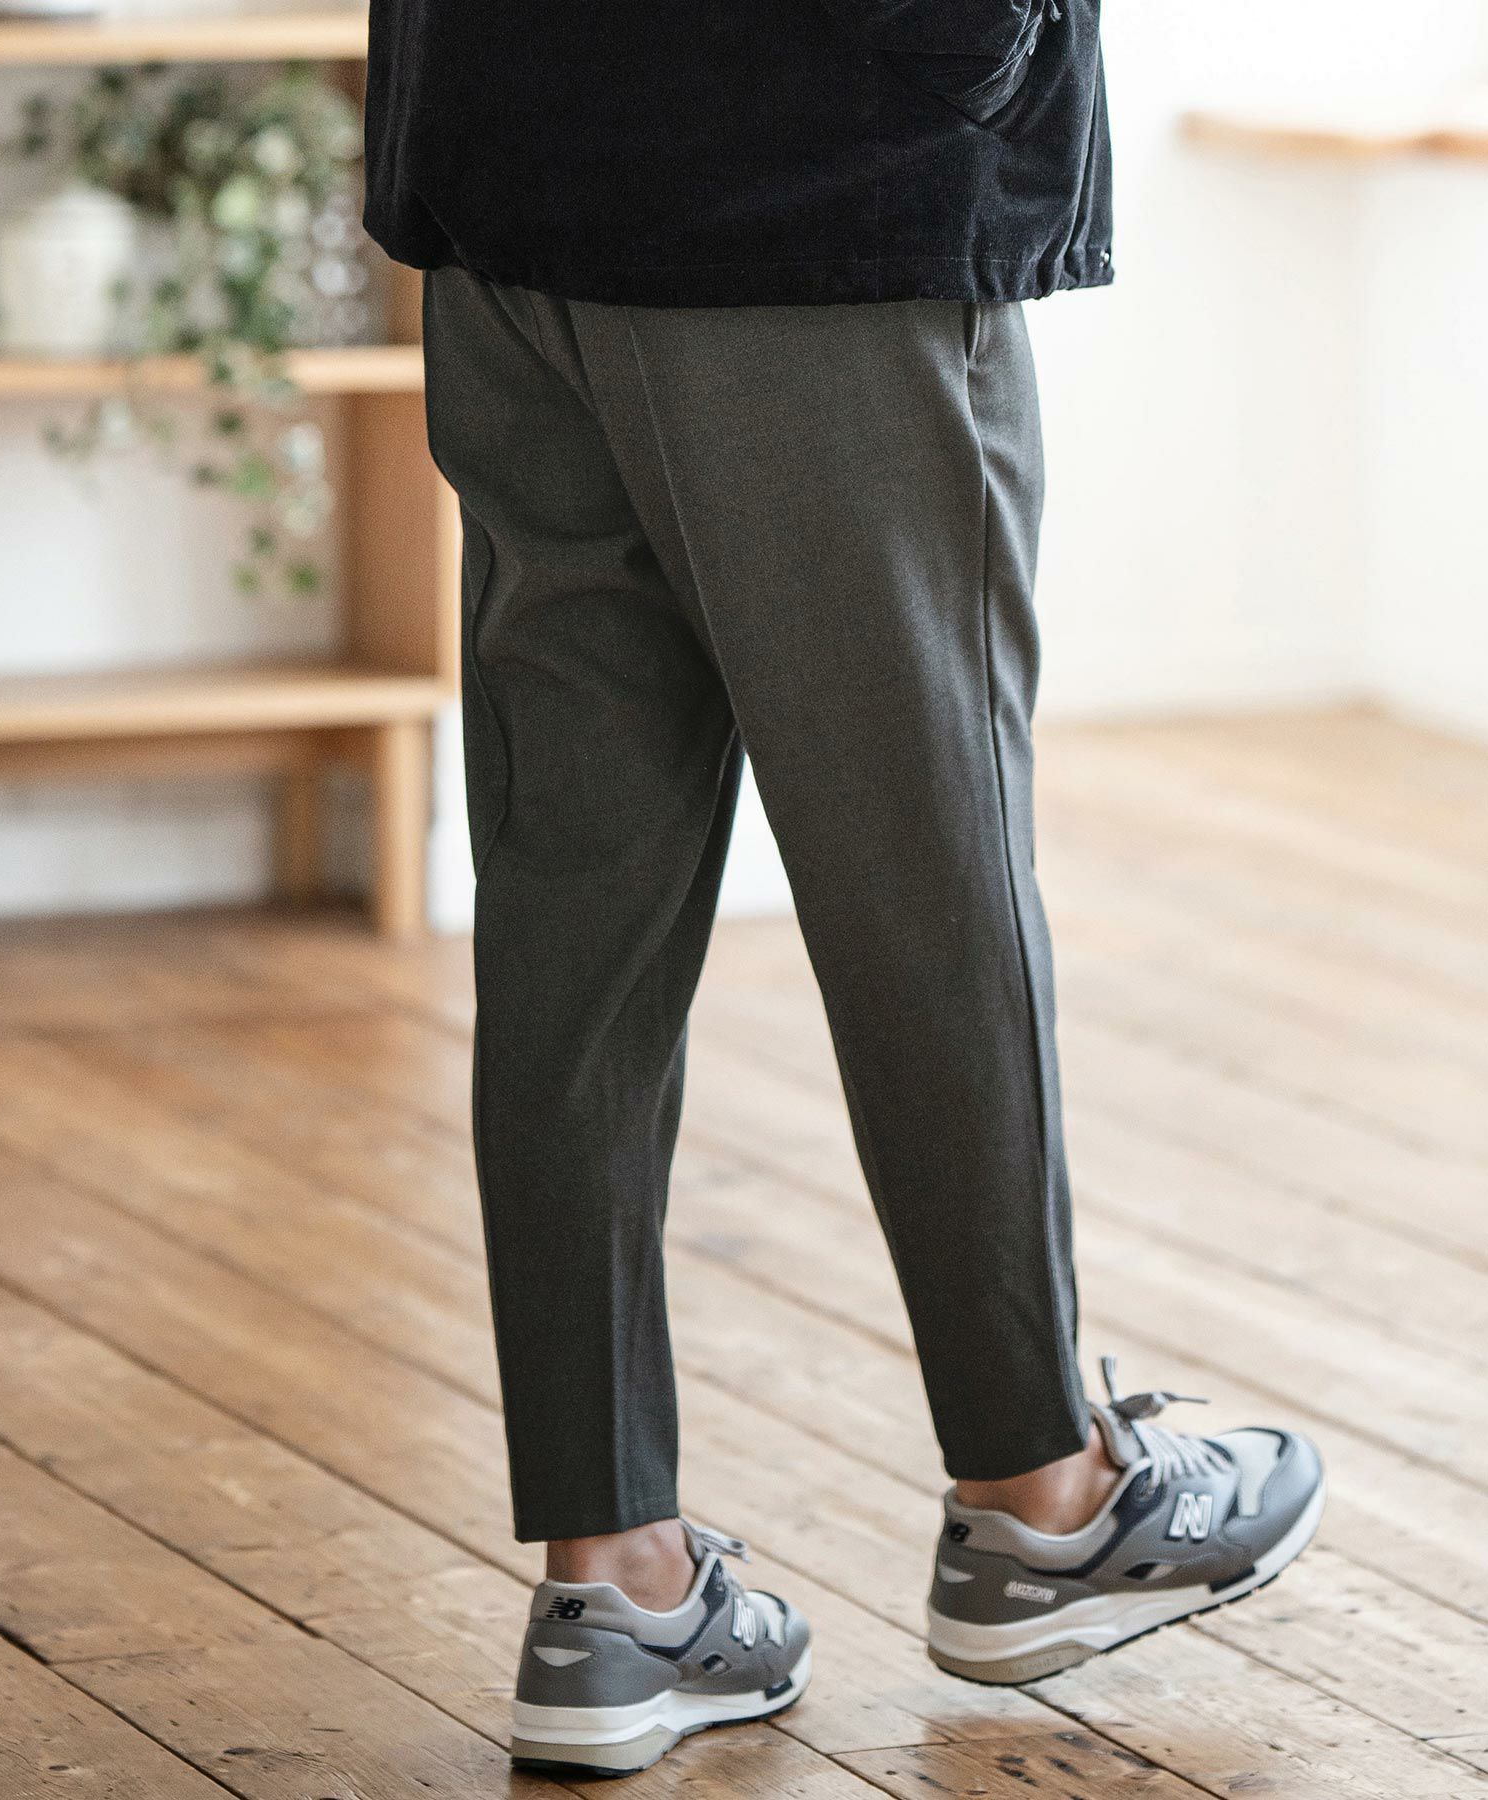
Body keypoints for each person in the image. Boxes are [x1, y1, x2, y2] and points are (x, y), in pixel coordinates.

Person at [362, 0, 1326, 1776]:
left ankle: (612, 1584)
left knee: (572, 915)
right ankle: (1045, 1494)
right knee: (925, 873)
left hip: (505, 154)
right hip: (816, 172)